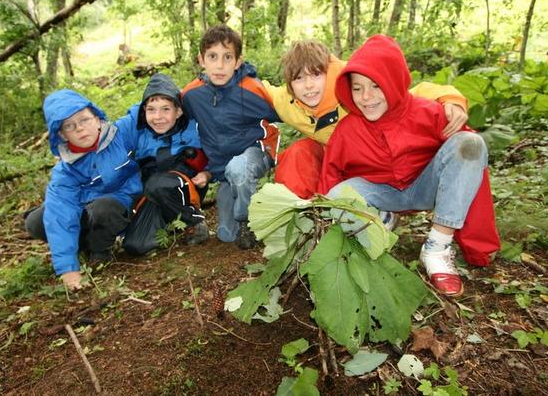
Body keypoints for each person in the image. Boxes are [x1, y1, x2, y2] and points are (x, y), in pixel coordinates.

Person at [319, 35, 500, 297]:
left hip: (427, 188)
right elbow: (330, 177)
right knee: (336, 197)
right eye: (357, 88)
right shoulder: (348, 130)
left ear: (393, 83)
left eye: (376, 86)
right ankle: (382, 220)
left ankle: (437, 248)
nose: (366, 97)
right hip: (383, 194)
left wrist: (478, 248)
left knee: (470, 143)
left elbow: (469, 165)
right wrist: (327, 234)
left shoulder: (430, 112)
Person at [263, 40, 470, 200]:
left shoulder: (353, 86)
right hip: (333, 158)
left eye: (316, 75)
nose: (308, 85)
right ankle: (301, 216)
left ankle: (380, 209)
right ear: (290, 84)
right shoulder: (286, 101)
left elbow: (410, 94)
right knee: (298, 152)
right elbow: (259, 89)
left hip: (369, 160)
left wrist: (450, 98)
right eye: (299, 78)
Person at [25, 89, 142, 290]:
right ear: (61, 134)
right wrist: (68, 270)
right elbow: (60, 215)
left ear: (97, 119)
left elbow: (148, 109)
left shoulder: (121, 134)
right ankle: (84, 246)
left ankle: (100, 248)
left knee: (104, 208)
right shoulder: (65, 171)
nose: (80, 129)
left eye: (84, 120)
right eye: (70, 126)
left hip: (124, 207)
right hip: (87, 212)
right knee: (36, 221)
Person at [181, 24, 280, 249]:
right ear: (201, 60)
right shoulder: (191, 95)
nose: (220, 65)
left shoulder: (253, 90)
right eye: (212, 57)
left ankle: (248, 222)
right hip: (222, 170)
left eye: (227, 57)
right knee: (226, 235)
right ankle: (239, 212)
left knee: (239, 169)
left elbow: (287, 110)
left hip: (255, 153)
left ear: (238, 61)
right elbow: (170, 115)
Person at [123, 73, 210, 253]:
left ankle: (194, 221)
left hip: (186, 186)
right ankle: (170, 223)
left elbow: (218, 150)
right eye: (151, 110)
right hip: (153, 192)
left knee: (157, 184)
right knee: (136, 245)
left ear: (178, 111)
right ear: (143, 111)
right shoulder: (140, 135)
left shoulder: (192, 128)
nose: (158, 117)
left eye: (165, 109)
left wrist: (209, 173)